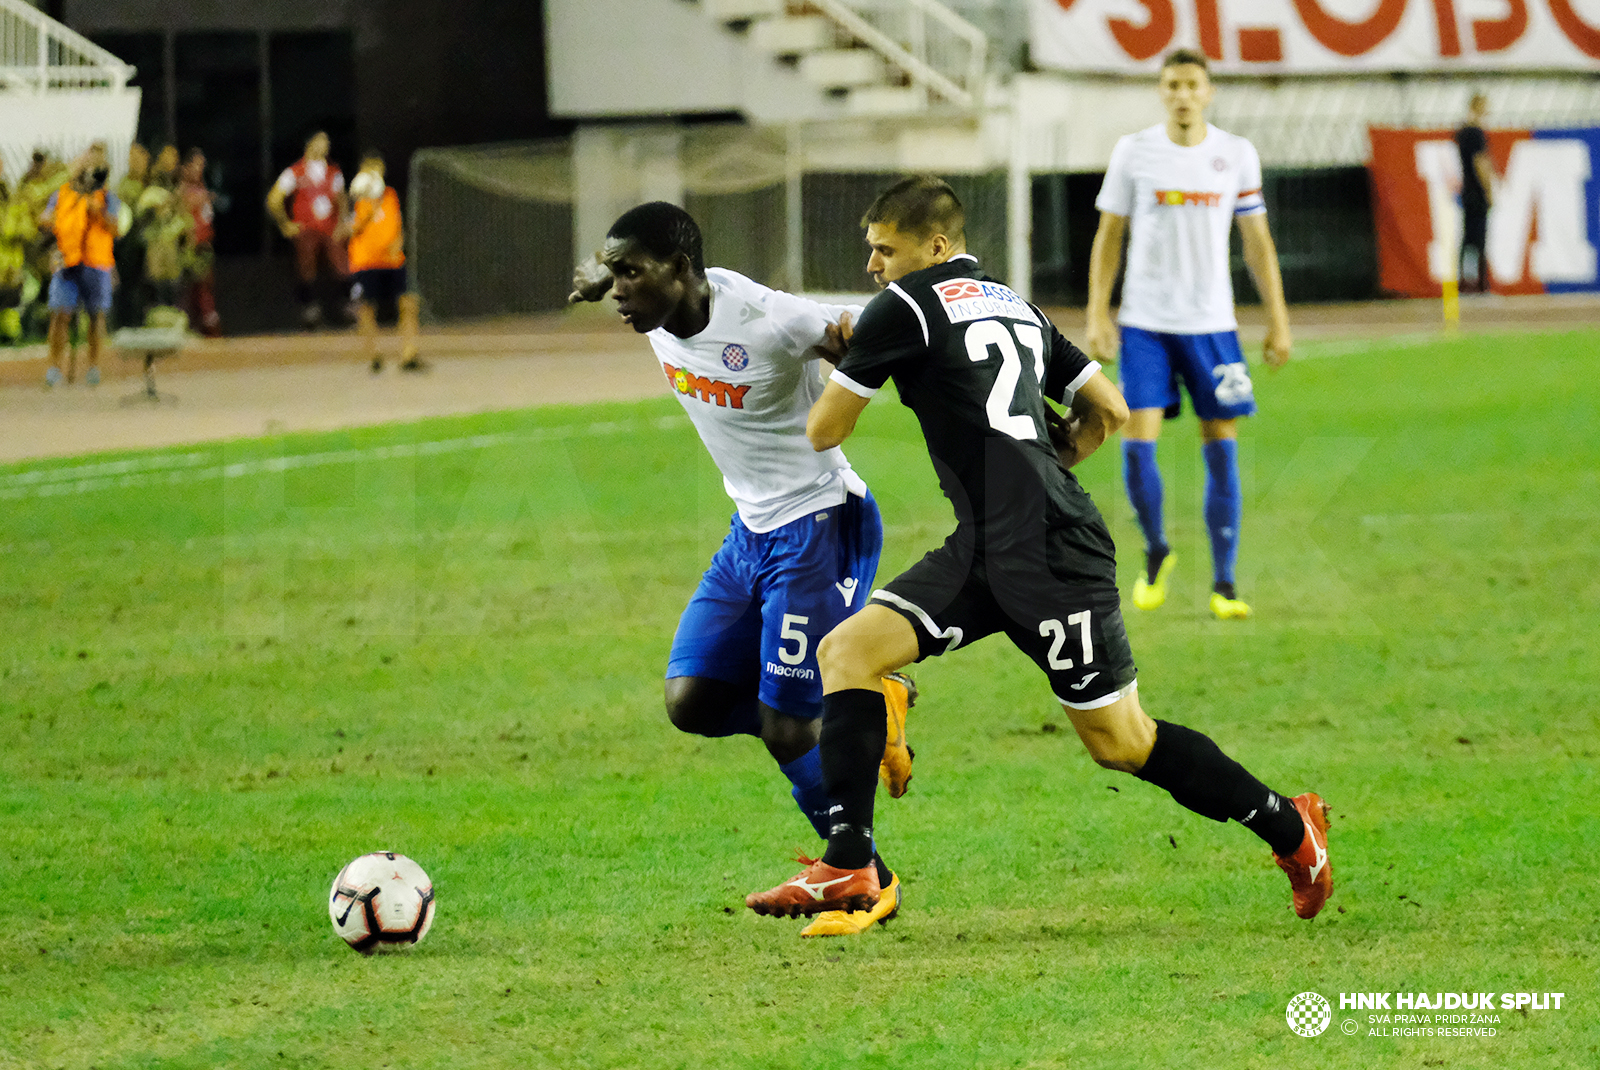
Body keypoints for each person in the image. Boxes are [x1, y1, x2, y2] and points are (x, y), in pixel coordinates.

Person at [744, 176, 1332, 925]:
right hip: (996, 543)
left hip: (1052, 559)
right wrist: (1046, 470)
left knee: (1122, 743)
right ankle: (850, 867)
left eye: (884, 249)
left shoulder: (905, 306)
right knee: (848, 654)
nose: (874, 266)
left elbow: (824, 430)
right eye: (871, 251)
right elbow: (1108, 409)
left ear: (935, 246)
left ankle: (1293, 827)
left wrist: (847, 358)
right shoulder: (1011, 301)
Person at [569, 201, 917, 937]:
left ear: (683, 271)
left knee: (787, 729)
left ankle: (863, 875)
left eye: (632, 273)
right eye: (616, 273)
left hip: (822, 525)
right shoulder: (653, 308)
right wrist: (599, 277)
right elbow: (615, 277)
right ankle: (866, 700)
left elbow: (857, 332)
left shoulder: (767, 317)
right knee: (691, 702)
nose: (621, 289)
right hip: (750, 534)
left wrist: (867, 336)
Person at [1085, 49, 1291, 622]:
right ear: (1161, 91)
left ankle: (1225, 583)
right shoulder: (1134, 151)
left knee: (1221, 446)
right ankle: (1156, 552)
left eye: (1191, 84)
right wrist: (1099, 314)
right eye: (1172, 84)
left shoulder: (1235, 154)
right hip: (1146, 323)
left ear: (1208, 91)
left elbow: (1257, 243)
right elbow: (1109, 235)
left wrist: (1278, 318)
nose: (1181, 94)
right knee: (1136, 440)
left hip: (1212, 325)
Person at [38, 143, 120, 387]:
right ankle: (54, 369)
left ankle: (93, 367)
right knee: (60, 313)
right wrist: (46, 219)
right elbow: (45, 218)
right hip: (66, 262)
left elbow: (116, 227)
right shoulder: (62, 193)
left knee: (96, 315)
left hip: (96, 262)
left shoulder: (106, 196)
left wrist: (99, 212)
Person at [345, 153, 421, 372]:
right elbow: (349, 228)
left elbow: (397, 224)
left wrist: (399, 242)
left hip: (392, 261)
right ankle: (374, 356)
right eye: (370, 169)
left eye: (378, 168)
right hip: (366, 262)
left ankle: (409, 354)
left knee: (408, 303)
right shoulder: (356, 198)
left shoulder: (390, 195)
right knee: (367, 309)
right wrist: (367, 210)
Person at [266, 130, 348, 328]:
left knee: (342, 266)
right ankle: (309, 309)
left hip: (329, 228)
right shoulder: (295, 172)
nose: (325, 145)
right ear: (310, 143)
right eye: (321, 140)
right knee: (306, 269)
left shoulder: (333, 171)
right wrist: (285, 223)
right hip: (307, 229)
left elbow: (341, 199)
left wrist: (343, 222)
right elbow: (274, 199)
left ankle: (346, 306)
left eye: (327, 141)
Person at [177, 149, 221, 336]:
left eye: (201, 166)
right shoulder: (181, 189)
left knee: (203, 287)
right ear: (185, 168)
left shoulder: (201, 187)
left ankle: (205, 326)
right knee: (191, 289)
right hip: (190, 247)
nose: (199, 170)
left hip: (204, 246)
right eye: (195, 165)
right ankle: (199, 327)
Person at [1455, 92, 1495, 294]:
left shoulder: (1462, 132)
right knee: (1479, 239)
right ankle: (1480, 286)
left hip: (1467, 190)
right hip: (1476, 192)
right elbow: (1480, 162)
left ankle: (1464, 283)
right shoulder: (1476, 133)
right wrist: (1488, 190)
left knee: (1467, 239)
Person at [113, 143, 151, 329]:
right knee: (128, 286)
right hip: (129, 243)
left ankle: (143, 322)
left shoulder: (150, 182)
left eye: (138, 158)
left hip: (150, 243)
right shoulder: (124, 184)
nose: (134, 162)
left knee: (146, 286)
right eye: (131, 158)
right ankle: (127, 324)